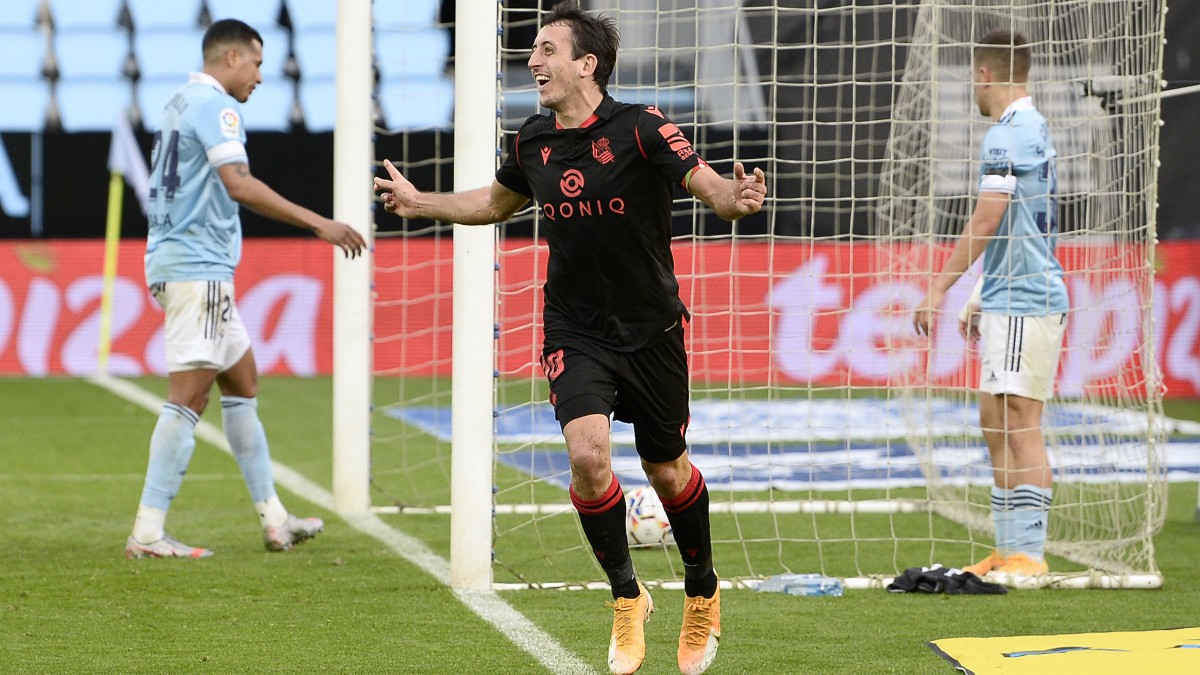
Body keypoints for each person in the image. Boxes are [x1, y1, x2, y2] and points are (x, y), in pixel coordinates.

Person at [374, 3, 765, 672]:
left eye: (547, 50)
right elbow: (495, 204)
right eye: (533, 50)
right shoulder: (531, 141)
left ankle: (702, 588)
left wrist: (738, 197)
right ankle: (626, 596)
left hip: (651, 329)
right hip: (574, 328)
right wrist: (421, 203)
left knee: (666, 468)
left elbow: (710, 190)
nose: (533, 62)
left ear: (586, 64)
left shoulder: (643, 129)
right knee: (586, 456)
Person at [126, 19, 366, 560]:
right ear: (231, 57)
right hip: (198, 268)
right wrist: (319, 223)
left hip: (179, 261)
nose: (261, 75)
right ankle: (146, 530)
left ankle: (275, 519)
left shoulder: (179, 102)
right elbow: (237, 183)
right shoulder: (217, 107)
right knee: (188, 395)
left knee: (242, 381)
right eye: (257, 63)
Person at [912, 30, 1067, 581]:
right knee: (994, 418)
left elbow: (987, 219)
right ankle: (1008, 549)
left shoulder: (1009, 133)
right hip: (1011, 294)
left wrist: (939, 289)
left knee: (1019, 420)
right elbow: (1022, 227)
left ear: (985, 75)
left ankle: (1029, 552)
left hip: (1027, 299)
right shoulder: (1032, 127)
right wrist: (981, 293)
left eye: (971, 79)